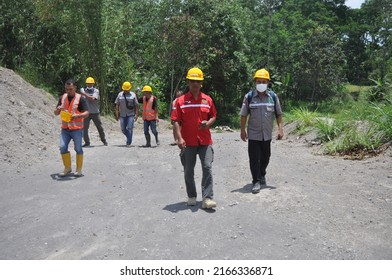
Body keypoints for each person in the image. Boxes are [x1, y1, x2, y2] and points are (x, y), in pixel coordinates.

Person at [171, 67, 217, 209]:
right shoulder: (180, 101)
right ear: (188, 82)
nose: (195, 84)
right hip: (188, 142)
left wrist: (208, 123)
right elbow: (176, 121)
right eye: (192, 81)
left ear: (201, 83)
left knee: (207, 167)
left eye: (197, 81)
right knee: (188, 170)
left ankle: (207, 198)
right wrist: (179, 138)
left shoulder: (207, 100)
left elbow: (213, 116)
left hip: (205, 141)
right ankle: (191, 195)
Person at [240, 68, 284, 194]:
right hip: (253, 134)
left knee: (266, 157)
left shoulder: (273, 97)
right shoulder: (249, 97)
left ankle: (262, 173)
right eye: (259, 81)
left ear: (268, 83)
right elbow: (243, 115)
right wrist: (242, 130)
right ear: (255, 82)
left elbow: (279, 114)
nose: (261, 84)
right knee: (254, 158)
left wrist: (281, 129)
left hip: (267, 134)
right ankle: (256, 181)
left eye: (264, 82)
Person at [54, 79, 89, 177]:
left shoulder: (81, 99)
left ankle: (78, 169)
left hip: (76, 129)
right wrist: (57, 110)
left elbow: (87, 113)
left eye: (70, 89)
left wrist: (77, 116)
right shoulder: (62, 97)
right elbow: (56, 113)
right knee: (62, 147)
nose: (68, 91)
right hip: (65, 129)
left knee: (78, 148)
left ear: (75, 88)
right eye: (66, 89)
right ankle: (67, 168)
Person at [80, 76, 108, 147]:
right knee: (84, 128)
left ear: (93, 84)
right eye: (88, 83)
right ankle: (87, 142)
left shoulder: (96, 91)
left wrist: (84, 94)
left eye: (91, 83)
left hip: (95, 112)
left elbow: (92, 99)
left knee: (100, 127)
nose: (89, 85)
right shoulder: (83, 91)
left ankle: (104, 140)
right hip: (86, 113)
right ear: (86, 83)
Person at [114, 81, 139, 147]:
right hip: (122, 114)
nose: (126, 91)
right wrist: (116, 113)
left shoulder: (133, 95)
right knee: (123, 129)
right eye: (125, 89)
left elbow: (136, 105)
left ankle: (129, 141)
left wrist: (136, 115)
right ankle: (129, 136)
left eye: (127, 89)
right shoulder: (120, 95)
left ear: (130, 89)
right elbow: (117, 104)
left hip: (131, 114)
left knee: (129, 128)